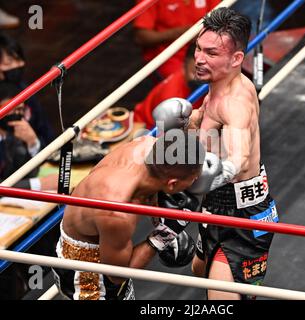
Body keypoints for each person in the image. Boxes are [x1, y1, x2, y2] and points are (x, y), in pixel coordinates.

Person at [153, 8, 278, 300]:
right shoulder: (219, 87)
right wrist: (186, 122)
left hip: (242, 217)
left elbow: (239, 156)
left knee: (220, 296)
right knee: (201, 270)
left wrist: (215, 171)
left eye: (210, 53)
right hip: (216, 208)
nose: (199, 58)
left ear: (236, 59)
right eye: (198, 48)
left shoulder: (234, 103)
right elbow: (208, 126)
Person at [51, 129, 206, 300]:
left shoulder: (146, 145)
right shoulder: (116, 212)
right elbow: (117, 276)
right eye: (193, 178)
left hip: (99, 242)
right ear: (172, 184)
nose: (196, 181)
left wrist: (158, 215)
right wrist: (162, 236)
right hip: (89, 278)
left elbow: (148, 185)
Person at [133, 0, 221, 80]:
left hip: (206, 50)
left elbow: (221, 20)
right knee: (191, 80)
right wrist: (177, 33)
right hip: (169, 56)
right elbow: (141, 36)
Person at [0, 32, 55, 148]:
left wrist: (34, 142)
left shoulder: (25, 91)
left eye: (19, 59)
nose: (20, 64)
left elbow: (47, 133)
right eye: (9, 62)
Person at [0, 82, 57, 190]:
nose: (17, 114)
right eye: (11, 109)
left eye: (20, 109)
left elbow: (30, 173)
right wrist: (38, 184)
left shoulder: (14, 136)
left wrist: (32, 142)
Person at [133, 43, 204, 129]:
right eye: (194, 72)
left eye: (203, 72)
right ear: (184, 66)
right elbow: (169, 135)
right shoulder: (172, 97)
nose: (199, 77)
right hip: (147, 127)